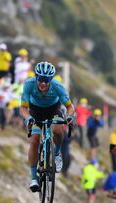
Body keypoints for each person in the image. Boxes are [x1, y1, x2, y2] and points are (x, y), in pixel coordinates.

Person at [20, 61, 75, 192]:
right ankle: (34, 178)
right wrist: (28, 118)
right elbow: (23, 108)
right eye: (40, 80)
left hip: (53, 110)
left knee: (58, 130)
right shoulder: (28, 84)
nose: (43, 83)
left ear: (51, 79)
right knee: (34, 140)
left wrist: (69, 117)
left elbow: (69, 107)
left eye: (47, 80)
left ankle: (56, 154)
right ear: (36, 77)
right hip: (35, 112)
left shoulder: (58, 86)